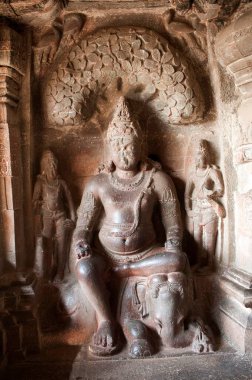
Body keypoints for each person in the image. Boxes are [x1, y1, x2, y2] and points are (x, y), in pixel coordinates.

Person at [73, 98, 213, 357]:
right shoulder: (98, 184)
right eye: (117, 145)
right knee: (83, 267)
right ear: (109, 150)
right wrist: (81, 243)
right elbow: (83, 226)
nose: (123, 150)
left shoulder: (157, 180)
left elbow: (174, 225)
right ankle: (107, 321)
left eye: (129, 144)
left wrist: (173, 241)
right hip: (107, 257)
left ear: (141, 146)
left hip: (147, 254)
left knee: (176, 258)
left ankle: (126, 272)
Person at [33, 150, 76, 282]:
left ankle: (60, 272)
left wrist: (73, 218)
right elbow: (34, 201)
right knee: (46, 243)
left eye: (54, 165)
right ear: (44, 167)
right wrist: (40, 204)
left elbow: (70, 201)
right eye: (50, 165)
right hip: (47, 215)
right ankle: (46, 271)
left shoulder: (61, 183)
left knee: (62, 244)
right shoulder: (40, 183)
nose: (53, 168)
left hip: (61, 215)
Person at [185, 140, 225, 269]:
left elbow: (220, 189)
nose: (200, 161)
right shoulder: (192, 175)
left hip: (208, 207)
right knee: (197, 236)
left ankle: (210, 263)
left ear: (207, 158)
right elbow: (187, 195)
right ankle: (200, 261)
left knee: (209, 236)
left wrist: (212, 194)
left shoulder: (212, 172)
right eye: (198, 158)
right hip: (197, 208)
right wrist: (188, 209)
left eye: (202, 158)